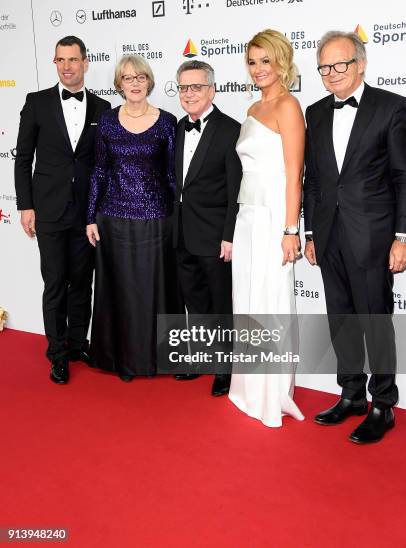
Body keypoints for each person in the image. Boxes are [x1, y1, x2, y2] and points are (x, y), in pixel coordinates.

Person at [303, 30, 406, 444]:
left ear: (360, 64)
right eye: (324, 66)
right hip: (328, 234)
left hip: (373, 235)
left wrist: (403, 236)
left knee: (375, 320)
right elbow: (313, 179)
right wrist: (310, 230)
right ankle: (351, 393)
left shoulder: (393, 108)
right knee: (341, 318)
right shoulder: (314, 112)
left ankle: (383, 402)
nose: (331, 73)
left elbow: (403, 176)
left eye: (340, 64)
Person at [14, 35, 111, 384]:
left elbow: (104, 164)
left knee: (82, 283)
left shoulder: (102, 108)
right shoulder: (37, 102)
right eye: (61, 60)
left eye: (74, 59)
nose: (68, 66)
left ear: (86, 62)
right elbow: (23, 158)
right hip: (49, 209)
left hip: (87, 214)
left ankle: (75, 343)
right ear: (54, 63)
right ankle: (57, 353)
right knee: (55, 282)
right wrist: (26, 205)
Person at [228, 29, 305, 427]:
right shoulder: (252, 108)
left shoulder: (288, 106)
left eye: (265, 61)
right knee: (248, 300)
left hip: (275, 216)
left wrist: (291, 229)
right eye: (252, 61)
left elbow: (294, 175)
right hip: (248, 216)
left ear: (281, 63)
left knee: (270, 302)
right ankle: (248, 388)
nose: (258, 69)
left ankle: (271, 393)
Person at [86, 55, 179, 380]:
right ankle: (118, 358)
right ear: (119, 84)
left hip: (156, 218)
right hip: (113, 218)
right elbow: (99, 171)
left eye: (140, 77)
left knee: (155, 290)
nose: (135, 83)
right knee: (120, 290)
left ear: (149, 81)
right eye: (128, 78)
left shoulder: (168, 122)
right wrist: (90, 217)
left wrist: (177, 219)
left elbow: (172, 175)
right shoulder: (107, 121)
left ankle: (158, 358)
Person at [173, 60, 242, 396]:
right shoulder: (175, 128)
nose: (189, 94)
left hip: (215, 236)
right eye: (184, 87)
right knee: (194, 301)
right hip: (181, 233)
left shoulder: (230, 130)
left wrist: (229, 235)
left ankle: (224, 368)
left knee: (219, 304)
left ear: (212, 90)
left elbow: (235, 191)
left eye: (196, 87)